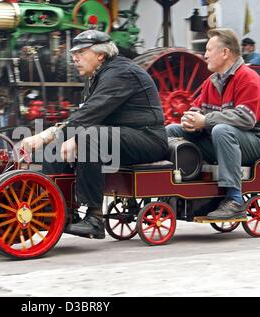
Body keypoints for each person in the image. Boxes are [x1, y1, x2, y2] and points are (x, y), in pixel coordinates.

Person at [21, 30, 168, 238]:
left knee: (88, 136)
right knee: (60, 143)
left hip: (148, 139)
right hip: (120, 137)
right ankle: (56, 209)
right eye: (74, 54)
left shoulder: (121, 73)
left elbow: (91, 113)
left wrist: (45, 135)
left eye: (81, 52)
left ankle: (95, 218)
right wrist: (62, 137)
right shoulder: (97, 76)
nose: (74, 58)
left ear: (100, 55)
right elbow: (85, 116)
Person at [166, 28, 260, 220]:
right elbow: (198, 108)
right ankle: (181, 184)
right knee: (172, 130)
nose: (205, 55)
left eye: (209, 50)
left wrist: (205, 121)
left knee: (222, 130)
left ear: (225, 53)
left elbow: (246, 119)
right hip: (225, 140)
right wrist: (190, 119)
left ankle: (234, 200)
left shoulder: (249, 78)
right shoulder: (212, 81)